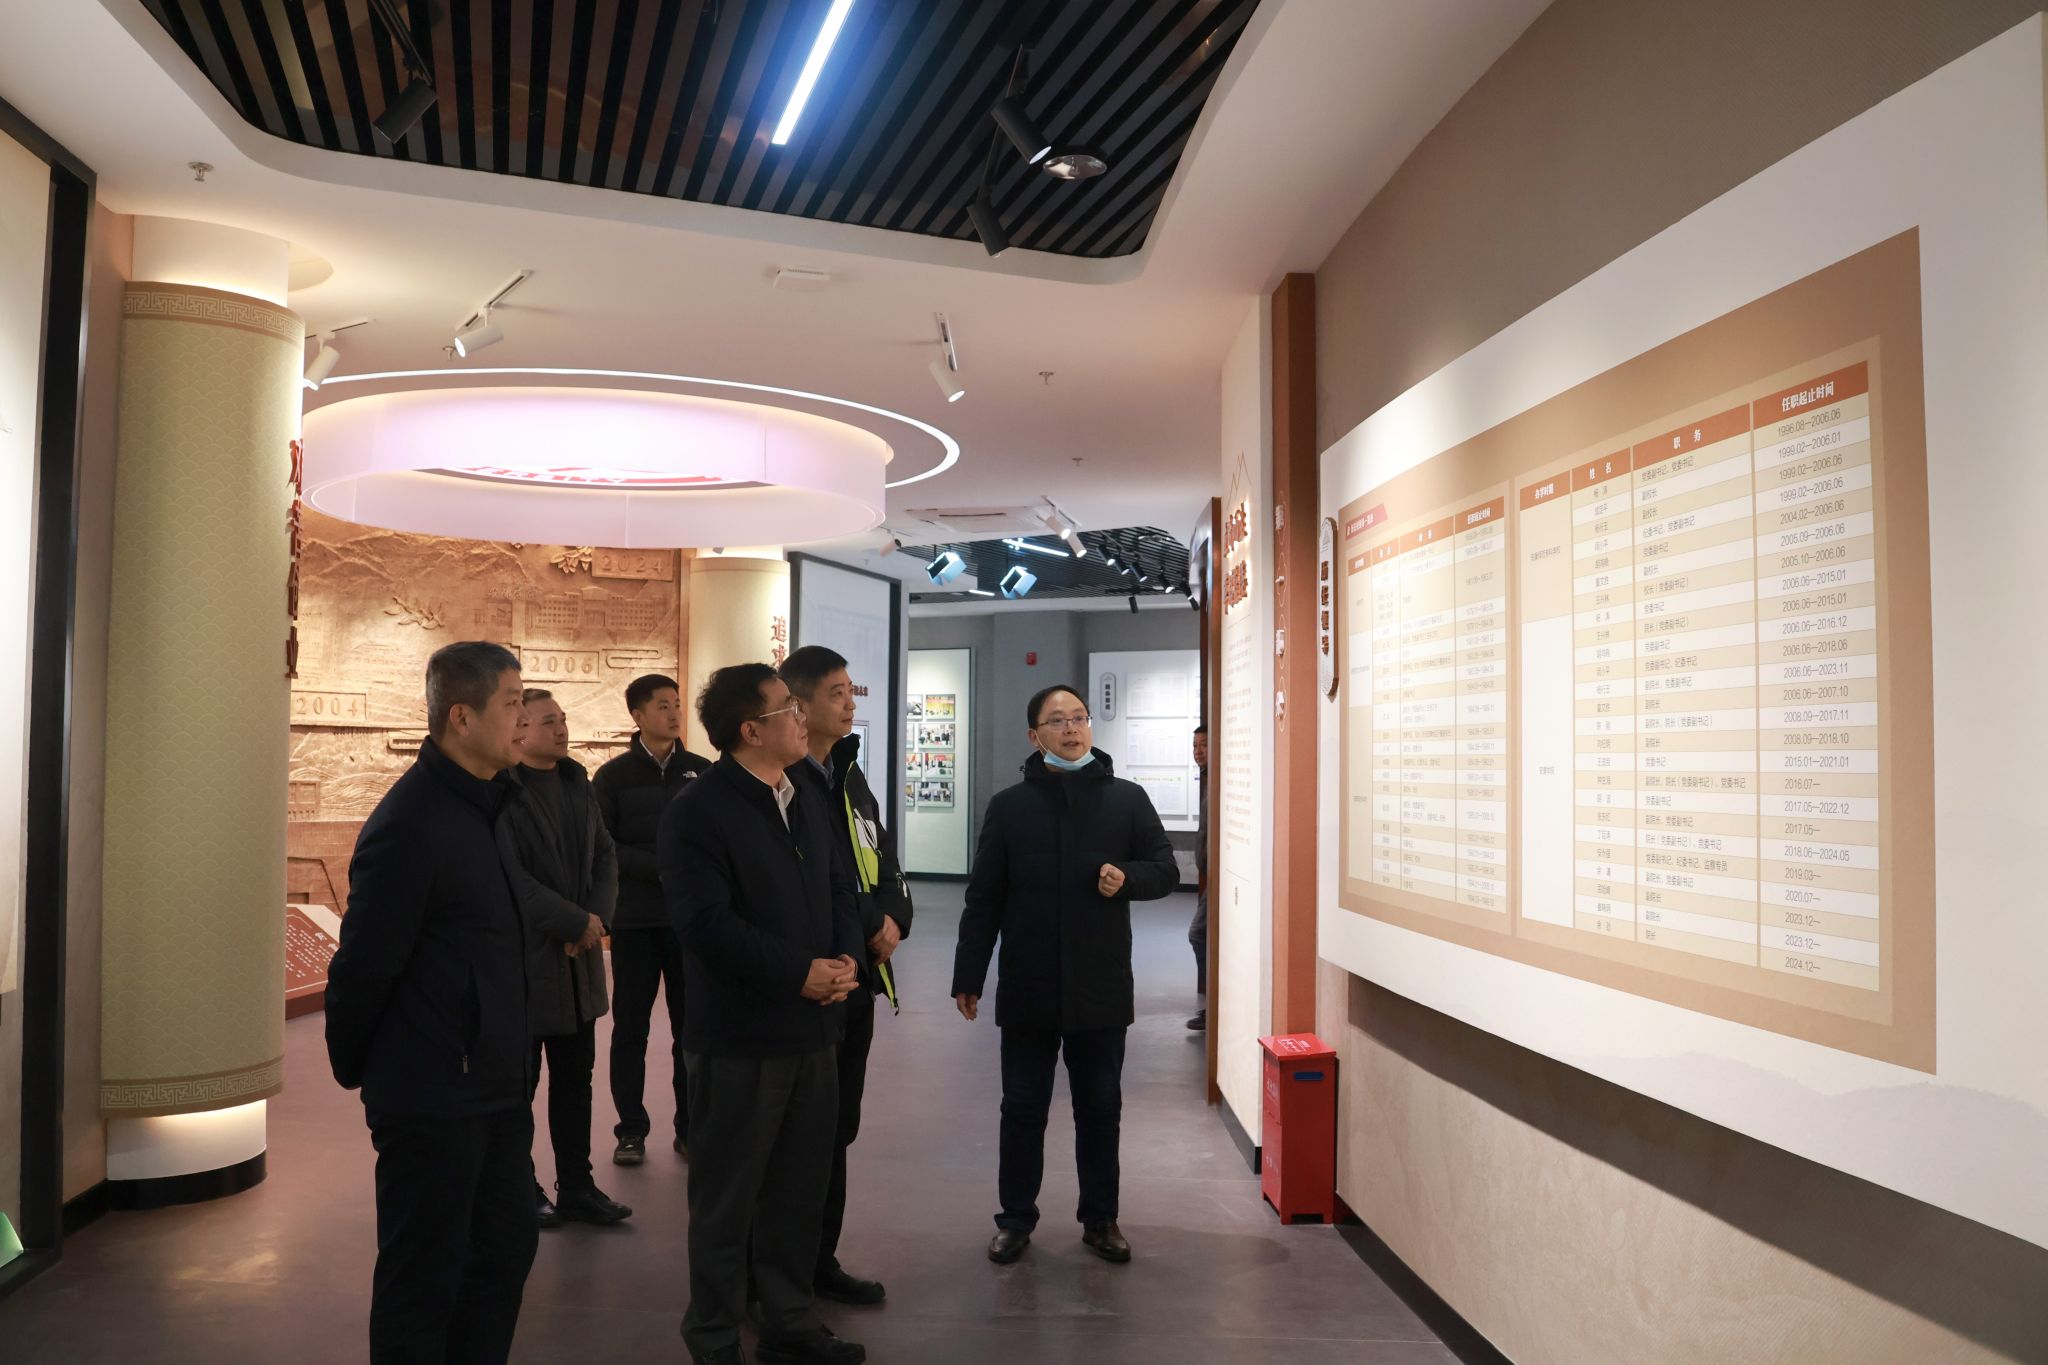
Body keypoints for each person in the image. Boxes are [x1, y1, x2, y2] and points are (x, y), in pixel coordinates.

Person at [325, 640, 539, 1362]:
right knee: (424, 1276)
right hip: (432, 1092)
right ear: (461, 716)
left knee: (503, 1248)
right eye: (511, 702)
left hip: (494, 1085)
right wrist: (364, 1069)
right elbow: (365, 965)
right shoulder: (411, 823)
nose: (524, 716)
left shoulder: (490, 806)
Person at [662, 664, 867, 1365]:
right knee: (727, 1200)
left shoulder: (802, 792)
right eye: (788, 709)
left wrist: (845, 958)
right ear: (751, 729)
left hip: (813, 1029)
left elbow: (840, 885)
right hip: (740, 1040)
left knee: (797, 1192)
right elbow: (706, 924)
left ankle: (789, 1321)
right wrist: (797, 972)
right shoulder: (698, 810)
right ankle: (715, 1335)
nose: (802, 718)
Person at [952, 684, 1180, 1266]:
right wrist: (969, 974)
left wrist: (1126, 878)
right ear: (1035, 736)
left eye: (1079, 717)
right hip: (1029, 982)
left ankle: (1101, 1218)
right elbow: (984, 898)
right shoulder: (1009, 807)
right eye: (1057, 721)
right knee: (1022, 1106)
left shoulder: (1126, 799)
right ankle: (1014, 1219)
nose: (1072, 728)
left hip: (1100, 982)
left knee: (1100, 1105)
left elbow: (1165, 870)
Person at [779, 645, 914, 1308]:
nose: (850, 701)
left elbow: (882, 858)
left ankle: (819, 1259)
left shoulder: (849, 775)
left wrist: (895, 918)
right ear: (799, 706)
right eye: (837, 692)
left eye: (850, 690)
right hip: (816, 981)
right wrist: (868, 922)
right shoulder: (784, 783)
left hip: (859, 980)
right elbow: (817, 884)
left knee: (837, 1128)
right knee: (800, 1139)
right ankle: (779, 1275)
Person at [497, 688, 632, 1228]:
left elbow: (605, 855)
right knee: (520, 1089)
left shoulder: (578, 782)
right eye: (548, 721)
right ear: (521, 729)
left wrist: (595, 919)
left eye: (563, 719)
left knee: (576, 1084)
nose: (561, 729)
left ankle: (577, 1185)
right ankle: (519, 1188)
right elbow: (512, 878)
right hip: (527, 965)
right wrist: (574, 922)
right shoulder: (503, 791)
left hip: (579, 967)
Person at [592, 672, 711, 1166]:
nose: (674, 712)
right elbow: (603, 846)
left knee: (692, 1030)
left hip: (689, 924)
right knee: (630, 1030)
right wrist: (661, 867)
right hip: (635, 922)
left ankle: (691, 1128)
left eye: (677, 703)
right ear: (638, 716)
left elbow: (715, 841)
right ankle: (630, 1130)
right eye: (663, 705)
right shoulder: (612, 777)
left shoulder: (701, 771)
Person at [1187, 723, 1210, 1032]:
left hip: (1219, 878)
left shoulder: (1218, 780)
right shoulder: (1207, 779)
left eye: (1204, 745)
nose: (1198, 751)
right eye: (1195, 746)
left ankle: (1213, 1004)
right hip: (1211, 876)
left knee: (1199, 934)